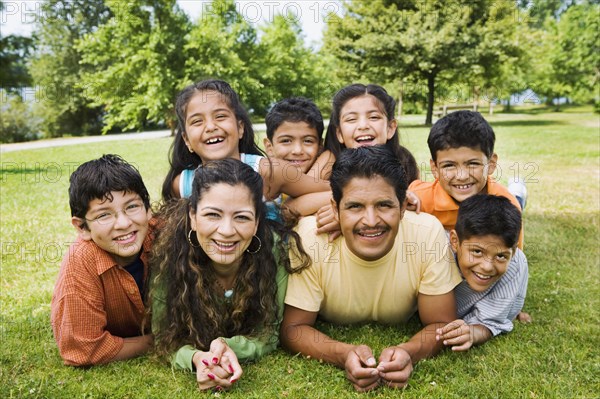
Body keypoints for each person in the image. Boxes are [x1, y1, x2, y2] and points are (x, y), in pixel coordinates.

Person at [280, 146, 462, 392]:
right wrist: (342, 354)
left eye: (384, 205)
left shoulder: (428, 233)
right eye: (355, 207)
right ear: (335, 209)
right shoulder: (310, 238)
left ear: (402, 207)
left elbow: (441, 322)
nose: (371, 220)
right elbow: (294, 329)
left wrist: (410, 352)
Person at [150, 159, 310, 391]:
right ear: (193, 216)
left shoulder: (273, 250)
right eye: (213, 215)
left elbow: (269, 333)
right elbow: (163, 338)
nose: (226, 231)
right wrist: (198, 359)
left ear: (257, 223)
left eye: (242, 217)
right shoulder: (170, 252)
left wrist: (226, 345)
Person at [51, 154, 154, 366]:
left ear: (148, 209)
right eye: (103, 215)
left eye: (132, 207)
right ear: (82, 227)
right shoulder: (80, 262)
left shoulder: (163, 234)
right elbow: (83, 349)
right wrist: (156, 342)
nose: (124, 223)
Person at [161, 79, 329, 204]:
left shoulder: (268, 171)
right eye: (197, 121)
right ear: (187, 140)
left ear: (240, 128)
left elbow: (336, 192)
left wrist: (295, 208)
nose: (210, 127)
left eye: (220, 116)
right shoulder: (181, 185)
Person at [284, 83, 420, 228]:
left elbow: (417, 202)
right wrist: (346, 204)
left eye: (373, 117)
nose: (363, 125)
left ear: (390, 128)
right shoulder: (330, 160)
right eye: (351, 119)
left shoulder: (404, 160)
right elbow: (289, 209)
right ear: (340, 134)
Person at [408, 110, 524, 248]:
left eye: (473, 164)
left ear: (491, 164)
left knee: (517, 199)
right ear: (435, 168)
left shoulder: (509, 207)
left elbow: (513, 261)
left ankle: (519, 191)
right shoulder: (418, 200)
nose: (462, 176)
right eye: (449, 165)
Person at [435, 195, 528, 351]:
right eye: (477, 252)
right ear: (455, 242)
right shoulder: (437, 251)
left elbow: (490, 322)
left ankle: (518, 195)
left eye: (500, 256)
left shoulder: (515, 263)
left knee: (516, 202)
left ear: (512, 252)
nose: (487, 267)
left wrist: (472, 332)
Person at [263, 96, 324, 175]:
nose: (297, 151)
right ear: (269, 147)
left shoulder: (334, 183)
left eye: (308, 141)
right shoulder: (257, 184)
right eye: (286, 141)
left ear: (320, 147)